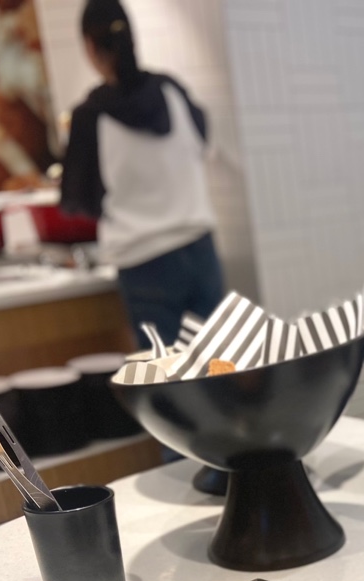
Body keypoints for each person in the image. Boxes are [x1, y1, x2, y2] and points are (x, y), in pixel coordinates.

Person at [61, 0, 224, 351]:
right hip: (200, 249)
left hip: (145, 261)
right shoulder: (172, 90)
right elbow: (202, 142)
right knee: (216, 364)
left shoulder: (90, 116)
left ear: (89, 46)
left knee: (170, 374)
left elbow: (79, 199)